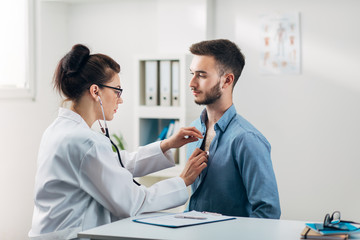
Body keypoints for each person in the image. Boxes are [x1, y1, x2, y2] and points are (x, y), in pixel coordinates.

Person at [29, 44, 208, 239]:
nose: (120, 100)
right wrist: (183, 181)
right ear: (95, 91)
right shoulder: (84, 142)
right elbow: (133, 203)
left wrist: (166, 144)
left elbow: (115, 164)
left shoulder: (59, 130)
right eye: (117, 91)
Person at [186, 39, 281, 219]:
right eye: (191, 73)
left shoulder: (247, 139)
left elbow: (267, 213)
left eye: (201, 75)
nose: (191, 83)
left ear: (227, 80)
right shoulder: (193, 130)